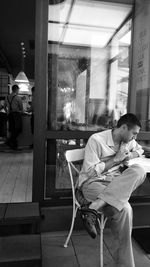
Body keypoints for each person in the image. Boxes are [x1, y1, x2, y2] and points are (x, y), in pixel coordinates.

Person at [78, 113, 146, 267]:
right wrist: (116, 159)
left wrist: (129, 155)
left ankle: (93, 208)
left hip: (115, 183)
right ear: (123, 127)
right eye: (134, 133)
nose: (134, 138)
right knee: (125, 209)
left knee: (139, 170)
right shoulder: (97, 140)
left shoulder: (127, 142)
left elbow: (140, 150)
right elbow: (89, 172)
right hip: (92, 183)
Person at [5, 84, 23, 149]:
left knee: (12, 130)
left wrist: (7, 112)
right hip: (16, 115)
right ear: (17, 89)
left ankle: (14, 145)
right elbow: (21, 108)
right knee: (18, 129)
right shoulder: (18, 98)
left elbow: (4, 107)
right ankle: (10, 141)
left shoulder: (7, 97)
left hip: (10, 114)